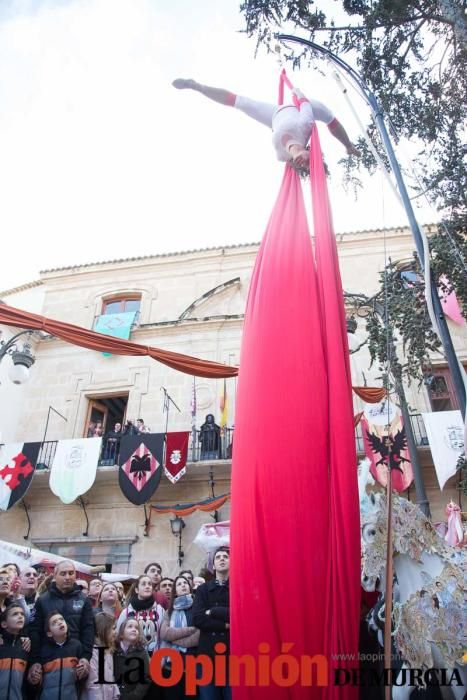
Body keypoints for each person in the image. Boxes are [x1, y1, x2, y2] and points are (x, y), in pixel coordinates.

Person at [172, 78, 360, 169]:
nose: (304, 162)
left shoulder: (281, 156)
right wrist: (348, 145)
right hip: (303, 106)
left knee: (242, 103)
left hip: (274, 116)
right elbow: (329, 121)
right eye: (309, 160)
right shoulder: (305, 125)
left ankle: (196, 87)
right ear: (310, 150)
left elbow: (297, 164)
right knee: (327, 114)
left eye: (304, 166)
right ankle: (197, 86)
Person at [28, 560, 94, 685]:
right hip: (47, 659)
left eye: (71, 573)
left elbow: (88, 629)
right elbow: (34, 630)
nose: (68, 577)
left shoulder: (84, 600)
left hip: (75, 659)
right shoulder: (43, 600)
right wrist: (35, 660)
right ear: (55, 575)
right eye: (63, 573)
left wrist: (85, 657)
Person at [192, 547, 231, 700]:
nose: (222, 559)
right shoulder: (203, 590)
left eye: (226, 556)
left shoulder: (238, 587)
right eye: (218, 557)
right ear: (213, 565)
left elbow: (238, 615)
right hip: (207, 655)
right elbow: (198, 619)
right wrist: (226, 625)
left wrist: (213, 611)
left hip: (231, 655)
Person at [160, 575, 199, 700]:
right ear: (175, 591)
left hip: (194, 661)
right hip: (173, 664)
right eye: (179, 584)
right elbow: (165, 634)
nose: (183, 585)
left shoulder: (198, 607)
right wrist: (190, 630)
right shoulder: (169, 611)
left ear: (190, 587)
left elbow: (199, 636)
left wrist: (174, 637)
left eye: (185, 583)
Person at [31, 611, 83, 700]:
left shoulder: (76, 646)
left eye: (61, 619)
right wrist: (35, 679)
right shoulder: (44, 650)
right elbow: (38, 680)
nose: (59, 622)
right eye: (54, 623)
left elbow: (81, 677)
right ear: (49, 633)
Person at [116, 575, 165, 657]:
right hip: (131, 659)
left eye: (149, 584)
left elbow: (163, 637)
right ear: (136, 590)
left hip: (156, 658)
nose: (147, 586)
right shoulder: (126, 612)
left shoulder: (160, 610)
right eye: (144, 584)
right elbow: (119, 635)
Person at [82, 612, 120, 699]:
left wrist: (115, 695)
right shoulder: (94, 652)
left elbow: (111, 677)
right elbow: (93, 683)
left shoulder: (108, 651)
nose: (115, 632)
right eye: (113, 628)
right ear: (103, 630)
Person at [114, 618, 151, 700]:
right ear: (121, 634)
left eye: (136, 628)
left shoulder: (142, 653)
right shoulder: (113, 650)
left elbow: (145, 678)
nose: (134, 629)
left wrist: (134, 696)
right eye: (130, 627)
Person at [0, 603, 29, 700]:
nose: (20, 616)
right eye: (15, 614)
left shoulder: (26, 646)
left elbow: (27, 681)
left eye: (22, 614)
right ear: (4, 624)